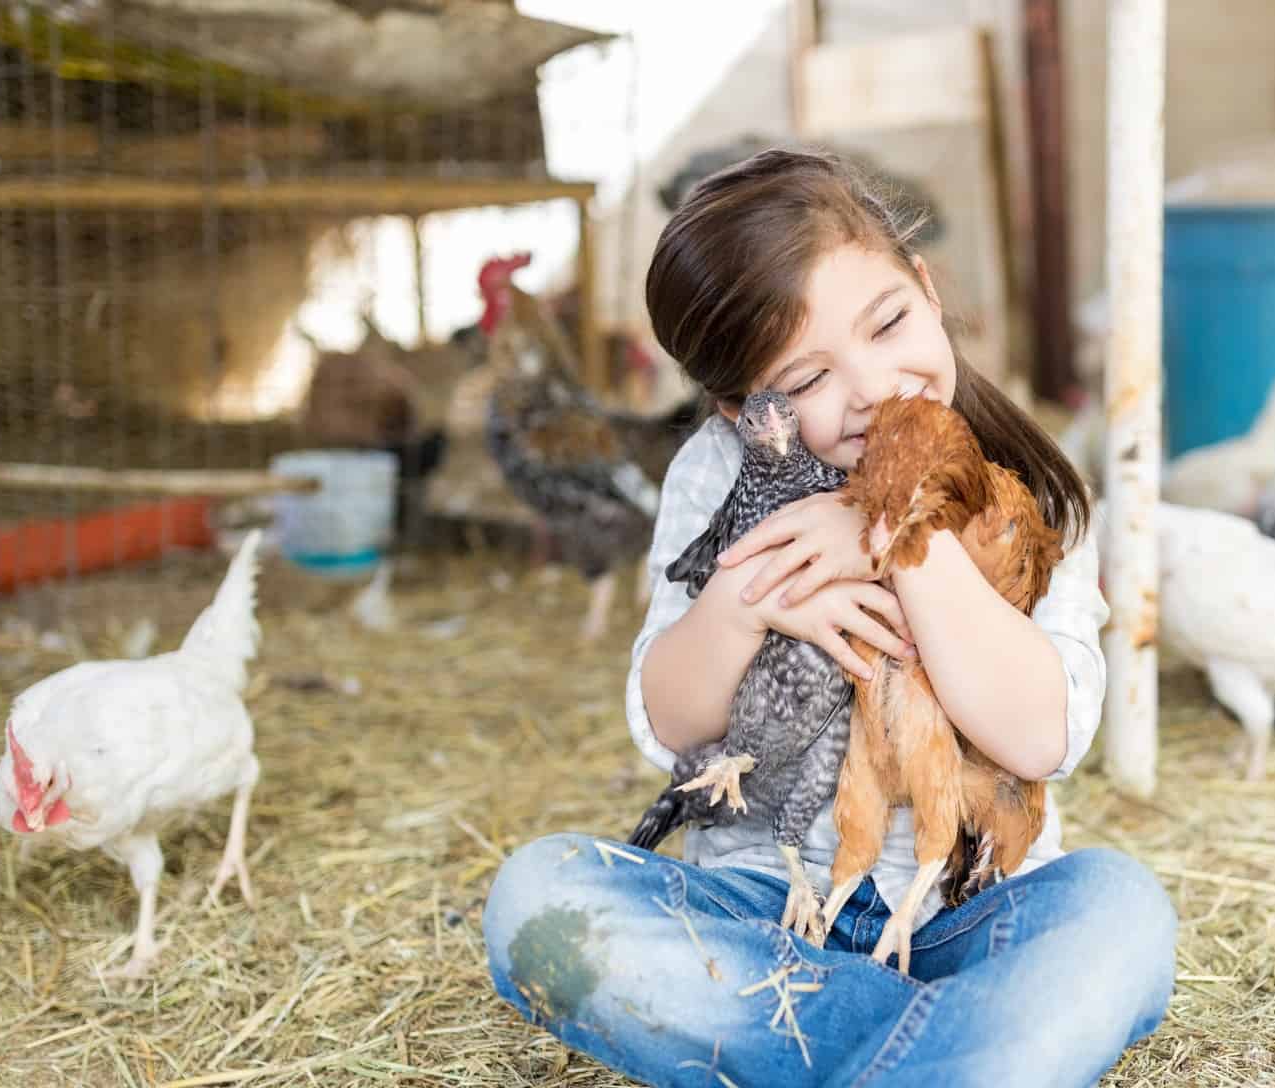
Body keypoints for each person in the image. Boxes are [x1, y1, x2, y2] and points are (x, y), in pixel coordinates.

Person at [482, 147, 1175, 1087]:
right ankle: (946, 1052)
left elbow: (1040, 737)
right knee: (538, 898)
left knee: (1119, 911)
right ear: (738, 412)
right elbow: (671, 726)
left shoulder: (1032, 489)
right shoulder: (717, 477)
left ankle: (897, 1048)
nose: (873, 386)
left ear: (925, 289)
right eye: (806, 380)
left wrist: (898, 535)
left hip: (966, 914)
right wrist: (742, 597)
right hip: (765, 915)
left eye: (888, 322)